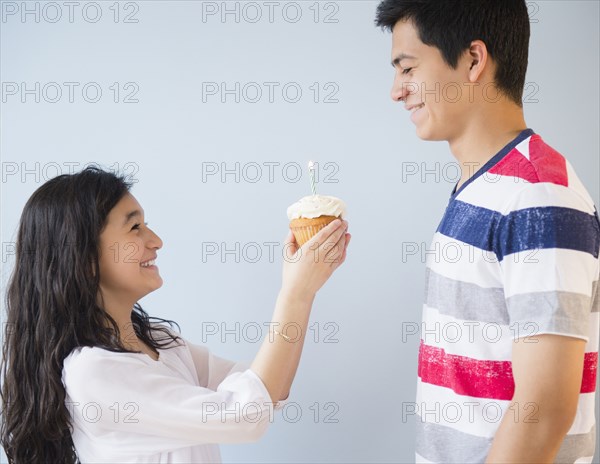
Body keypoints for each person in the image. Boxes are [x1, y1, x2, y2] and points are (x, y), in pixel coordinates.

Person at [0, 166, 350, 463]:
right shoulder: (93, 371)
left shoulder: (160, 341)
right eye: (135, 227)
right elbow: (245, 415)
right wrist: (296, 293)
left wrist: (305, 289)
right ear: (84, 258)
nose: (156, 241)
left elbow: (267, 390)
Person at [375, 1, 599, 462]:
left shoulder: (537, 196)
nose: (397, 91)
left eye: (408, 68)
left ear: (474, 59)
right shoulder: (486, 185)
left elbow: (544, 408)